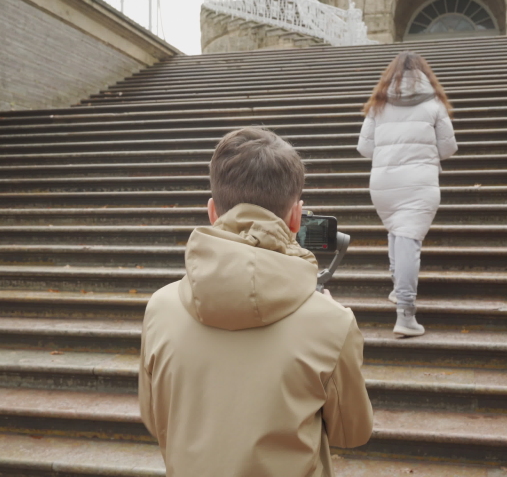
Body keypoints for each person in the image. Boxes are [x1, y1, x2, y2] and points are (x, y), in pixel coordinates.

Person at [139, 127, 374, 477]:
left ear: (212, 212)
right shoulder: (331, 323)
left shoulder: (160, 308)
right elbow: (352, 433)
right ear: (296, 217)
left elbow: (153, 417)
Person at [357, 51, 458, 338]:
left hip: (383, 183)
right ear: (425, 75)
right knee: (408, 240)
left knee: (397, 232)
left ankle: (396, 288)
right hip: (420, 182)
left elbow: (365, 148)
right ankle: (405, 313)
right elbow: (448, 148)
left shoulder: (379, 104)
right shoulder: (434, 103)